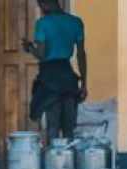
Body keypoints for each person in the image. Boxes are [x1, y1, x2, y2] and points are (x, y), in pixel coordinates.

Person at [23, 0, 87, 141]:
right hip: (68, 78)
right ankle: (68, 160)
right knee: (68, 127)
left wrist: (29, 48)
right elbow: (81, 55)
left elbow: (41, 53)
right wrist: (84, 84)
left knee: (53, 125)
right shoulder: (76, 22)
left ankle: (54, 160)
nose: (41, 9)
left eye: (41, 6)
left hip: (50, 78)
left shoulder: (43, 23)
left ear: (45, 4)